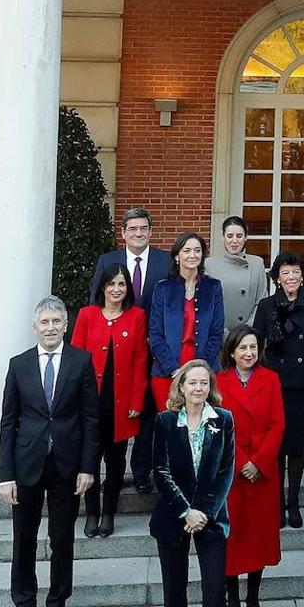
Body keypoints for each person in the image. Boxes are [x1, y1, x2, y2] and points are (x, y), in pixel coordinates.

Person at [0, 295, 99, 607]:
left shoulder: (81, 362)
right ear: (35, 327)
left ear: (66, 325)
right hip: (26, 466)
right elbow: (8, 422)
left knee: (62, 540)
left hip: (67, 467)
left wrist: (89, 467)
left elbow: (90, 419)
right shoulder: (19, 364)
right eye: (45, 322)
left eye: (57, 321)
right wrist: (5, 475)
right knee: (23, 541)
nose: (51, 327)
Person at [150, 359, 237, 607]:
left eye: (204, 383)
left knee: (215, 593)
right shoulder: (165, 421)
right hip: (173, 518)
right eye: (192, 383)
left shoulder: (224, 421)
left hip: (211, 519)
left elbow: (225, 471)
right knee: (175, 593)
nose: (198, 389)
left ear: (210, 387)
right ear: (181, 387)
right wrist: (186, 511)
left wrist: (203, 511)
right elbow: (161, 471)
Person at [89, 207, 172, 494]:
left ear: (150, 231)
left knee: (147, 412)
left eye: (144, 228)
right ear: (123, 232)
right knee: (115, 411)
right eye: (132, 229)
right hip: (118, 352)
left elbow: (170, 304)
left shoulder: (165, 261)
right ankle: (110, 470)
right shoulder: (107, 261)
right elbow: (95, 301)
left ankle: (140, 471)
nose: (139, 233)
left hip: (157, 349)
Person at [71, 265, 149, 538]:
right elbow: (75, 360)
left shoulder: (137, 316)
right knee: (89, 460)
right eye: (111, 284)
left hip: (121, 404)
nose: (117, 289)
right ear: (102, 287)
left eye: (122, 284)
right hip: (90, 403)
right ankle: (91, 511)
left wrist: (137, 400)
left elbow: (141, 361)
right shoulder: (87, 315)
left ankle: (108, 513)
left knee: (115, 464)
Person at [215, 325, 285, 607]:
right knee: (233, 537)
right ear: (232, 351)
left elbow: (278, 425)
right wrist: (242, 461)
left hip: (263, 472)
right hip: (231, 470)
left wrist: (258, 462)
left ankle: (253, 598)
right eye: (243, 348)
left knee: (258, 537)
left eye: (253, 348)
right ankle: (231, 598)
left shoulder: (271, 379)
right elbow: (217, 426)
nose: (248, 353)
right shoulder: (218, 382)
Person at [252, 251, 304, 529]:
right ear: (277, 278)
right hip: (273, 385)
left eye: (296, 272)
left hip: (303, 387)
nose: (291, 277)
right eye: (285, 273)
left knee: (296, 449)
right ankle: (275, 505)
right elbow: (256, 348)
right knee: (274, 448)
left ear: (303, 276)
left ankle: (293, 503)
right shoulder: (266, 306)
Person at [149, 233, 226, 438]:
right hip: (167, 371)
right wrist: (174, 369)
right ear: (177, 256)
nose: (193, 255)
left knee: (202, 430)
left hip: (204, 368)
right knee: (172, 431)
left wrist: (201, 369)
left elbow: (217, 332)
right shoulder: (163, 288)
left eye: (197, 250)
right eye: (187, 250)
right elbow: (155, 334)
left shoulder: (213, 287)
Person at [204, 216, 267, 330]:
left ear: (246, 237)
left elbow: (261, 302)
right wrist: (224, 335)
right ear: (223, 237)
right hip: (219, 336)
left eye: (239, 236)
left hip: (249, 337)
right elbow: (207, 305)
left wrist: (246, 333)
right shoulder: (209, 265)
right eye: (229, 236)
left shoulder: (257, 263)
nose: (234, 241)